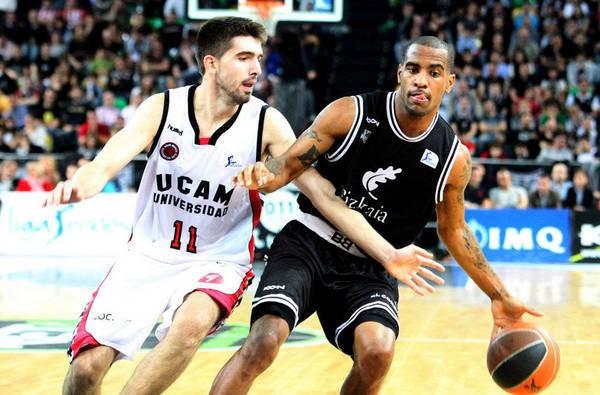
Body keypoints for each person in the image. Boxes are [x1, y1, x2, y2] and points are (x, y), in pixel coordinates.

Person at [44, 18, 439, 395]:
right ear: (211, 63)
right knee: (87, 369)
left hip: (217, 261)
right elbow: (106, 162)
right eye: (244, 58)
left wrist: (387, 253)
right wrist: (78, 187)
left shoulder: (268, 124)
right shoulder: (160, 108)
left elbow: (323, 196)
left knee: (190, 325)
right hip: (147, 255)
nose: (256, 69)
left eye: (259, 59)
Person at [210, 36, 541, 394]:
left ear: (449, 83)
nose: (421, 80)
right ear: (400, 73)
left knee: (378, 351)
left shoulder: (452, 158)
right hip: (309, 244)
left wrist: (498, 294)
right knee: (264, 341)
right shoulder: (349, 113)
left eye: (434, 72)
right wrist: (263, 174)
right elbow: (286, 166)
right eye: (413, 69)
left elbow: (455, 230)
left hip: (371, 267)